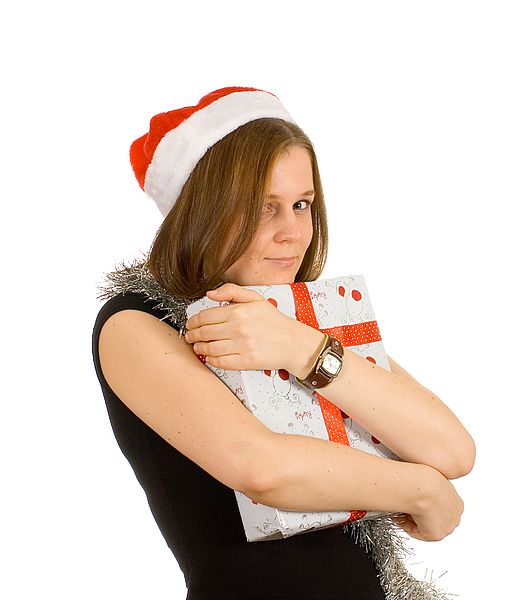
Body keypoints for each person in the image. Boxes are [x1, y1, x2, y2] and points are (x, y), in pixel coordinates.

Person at [92, 86, 475, 600]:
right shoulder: (137, 322)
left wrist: (302, 350)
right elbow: (263, 469)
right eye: (261, 208)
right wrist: (420, 490)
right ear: (200, 213)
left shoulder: (301, 320)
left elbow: (450, 449)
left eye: (301, 204)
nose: (292, 232)